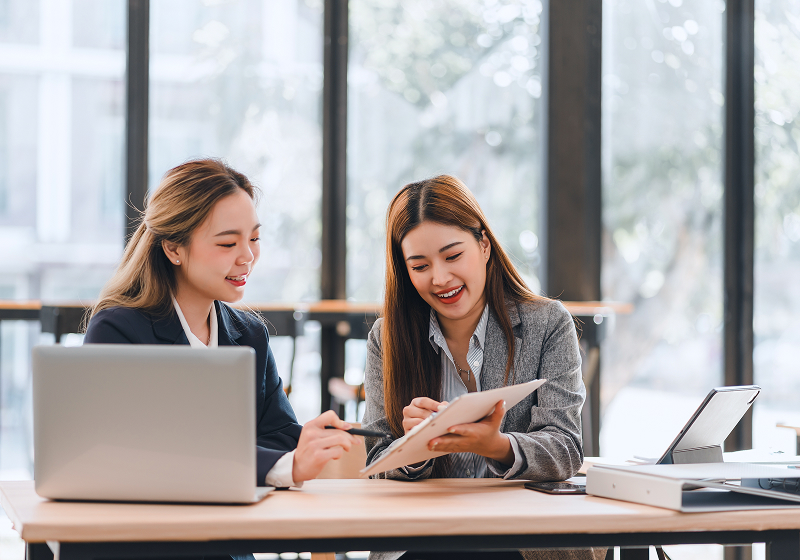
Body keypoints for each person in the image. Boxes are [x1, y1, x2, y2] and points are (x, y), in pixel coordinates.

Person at [84, 159, 358, 554]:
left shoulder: (250, 335)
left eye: (254, 238)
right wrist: (282, 464)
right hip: (147, 545)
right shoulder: (119, 331)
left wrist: (305, 443)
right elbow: (144, 453)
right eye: (228, 243)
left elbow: (279, 434)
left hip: (230, 541)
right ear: (174, 248)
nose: (247, 256)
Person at [361, 175, 605, 560]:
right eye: (420, 265)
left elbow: (566, 448)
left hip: (520, 540)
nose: (440, 278)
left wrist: (498, 447)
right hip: (423, 538)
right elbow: (376, 463)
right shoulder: (387, 337)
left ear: (484, 246)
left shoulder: (547, 323)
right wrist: (414, 449)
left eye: (452, 256)